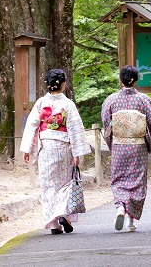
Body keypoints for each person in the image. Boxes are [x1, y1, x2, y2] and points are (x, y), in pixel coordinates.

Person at [20, 69, 91, 235]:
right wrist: (77, 153)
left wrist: (27, 149)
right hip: (63, 147)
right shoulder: (68, 105)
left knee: (48, 185)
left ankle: (54, 225)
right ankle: (62, 215)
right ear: (63, 84)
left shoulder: (40, 103)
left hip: (46, 147)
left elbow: (32, 125)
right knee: (65, 183)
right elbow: (74, 128)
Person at [101, 65, 151, 232]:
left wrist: (111, 143)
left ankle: (120, 207)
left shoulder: (110, 100)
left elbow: (106, 123)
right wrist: (150, 144)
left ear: (121, 80)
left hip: (119, 145)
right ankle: (130, 222)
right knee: (137, 181)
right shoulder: (144, 100)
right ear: (136, 80)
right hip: (138, 146)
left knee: (119, 179)